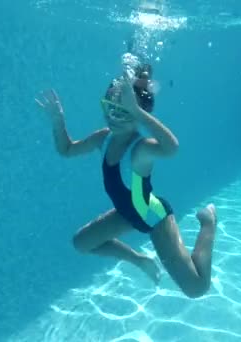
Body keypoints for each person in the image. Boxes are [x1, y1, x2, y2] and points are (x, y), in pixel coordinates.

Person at [35, 60, 217, 299]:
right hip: (126, 213)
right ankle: (139, 260)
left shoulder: (140, 149)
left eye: (123, 112)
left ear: (138, 115)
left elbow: (172, 148)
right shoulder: (104, 138)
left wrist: (138, 112)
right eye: (109, 107)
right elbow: (67, 150)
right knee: (81, 243)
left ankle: (208, 223)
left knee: (196, 288)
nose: (113, 116)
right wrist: (58, 122)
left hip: (153, 218)